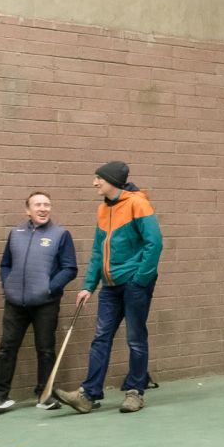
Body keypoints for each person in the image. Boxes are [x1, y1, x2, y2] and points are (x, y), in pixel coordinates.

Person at [55, 161, 163, 415]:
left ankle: (135, 392)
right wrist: (88, 286)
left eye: (98, 179)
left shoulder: (138, 204)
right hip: (110, 287)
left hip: (134, 284)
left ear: (111, 181)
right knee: (101, 338)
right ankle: (88, 394)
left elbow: (154, 244)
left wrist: (140, 279)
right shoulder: (103, 210)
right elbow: (97, 251)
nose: (94, 183)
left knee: (135, 339)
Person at [0, 191, 78, 415]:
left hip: (45, 304)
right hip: (15, 303)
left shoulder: (61, 234)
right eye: (37, 205)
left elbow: (70, 268)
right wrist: (8, 285)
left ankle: (44, 396)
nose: (43, 208)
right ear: (27, 210)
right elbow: (5, 264)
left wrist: (50, 287)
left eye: (47, 204)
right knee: (6, 349)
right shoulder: (15, 233)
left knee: (45, 350)